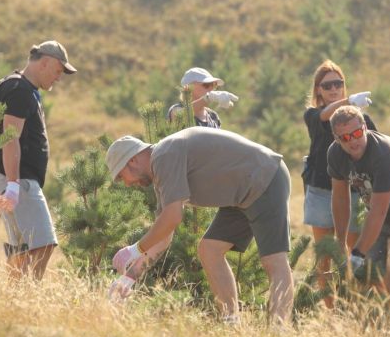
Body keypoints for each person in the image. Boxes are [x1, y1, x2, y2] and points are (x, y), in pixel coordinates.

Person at [105, 128, 294, 326]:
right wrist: (130, 277)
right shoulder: (162, 169)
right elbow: (164, 234)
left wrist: (135, 249)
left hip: (265, 177)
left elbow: (172, 217)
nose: (125, 183)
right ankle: (231, 323)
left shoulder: (164, 155)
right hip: (240, 193)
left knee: (273, 260)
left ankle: (278, 329)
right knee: (209, 250)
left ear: (132, 160)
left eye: (121, 176)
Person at [327, 105, 390, 329]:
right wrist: (340, 240)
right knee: (376, 276)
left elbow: (379, 210)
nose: (352, 141)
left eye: (356, 133)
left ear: (364, 127)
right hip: (381, 215)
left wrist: (357, 253)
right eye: (345, 138)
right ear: (336, 138)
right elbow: (340, 199)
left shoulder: (384, 153)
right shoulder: (335, 154)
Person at [0, 41, 77, 279]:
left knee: (22, 248)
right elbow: (10, 138)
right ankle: (30, 292)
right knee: (43, 242)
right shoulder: (21, 91)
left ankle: (16, 298)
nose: (58, 78)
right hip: (18, 178)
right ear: (44, 62)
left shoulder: (18, 86)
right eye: (58, 71)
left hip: (10, 176)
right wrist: (14, 184)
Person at [302, 60, 374, 296]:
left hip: (353, 194)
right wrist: (350, 101)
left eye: (338, 83)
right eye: (327, 85)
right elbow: (324, 116)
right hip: (321, 192)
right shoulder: (313, 115)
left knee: (355, 253)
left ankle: (353, 302)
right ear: (318, 90)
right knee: (326, 255)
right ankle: (330, 308)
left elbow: (377, 146)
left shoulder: (360, 119)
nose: (333, 89)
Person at [167, 67, 239, 128]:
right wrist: (208, 98)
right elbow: (183, 114)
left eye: (213, 85)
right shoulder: (176, 110)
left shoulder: (213, 116)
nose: (211, 89)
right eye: (206, 85)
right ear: (188, 87)